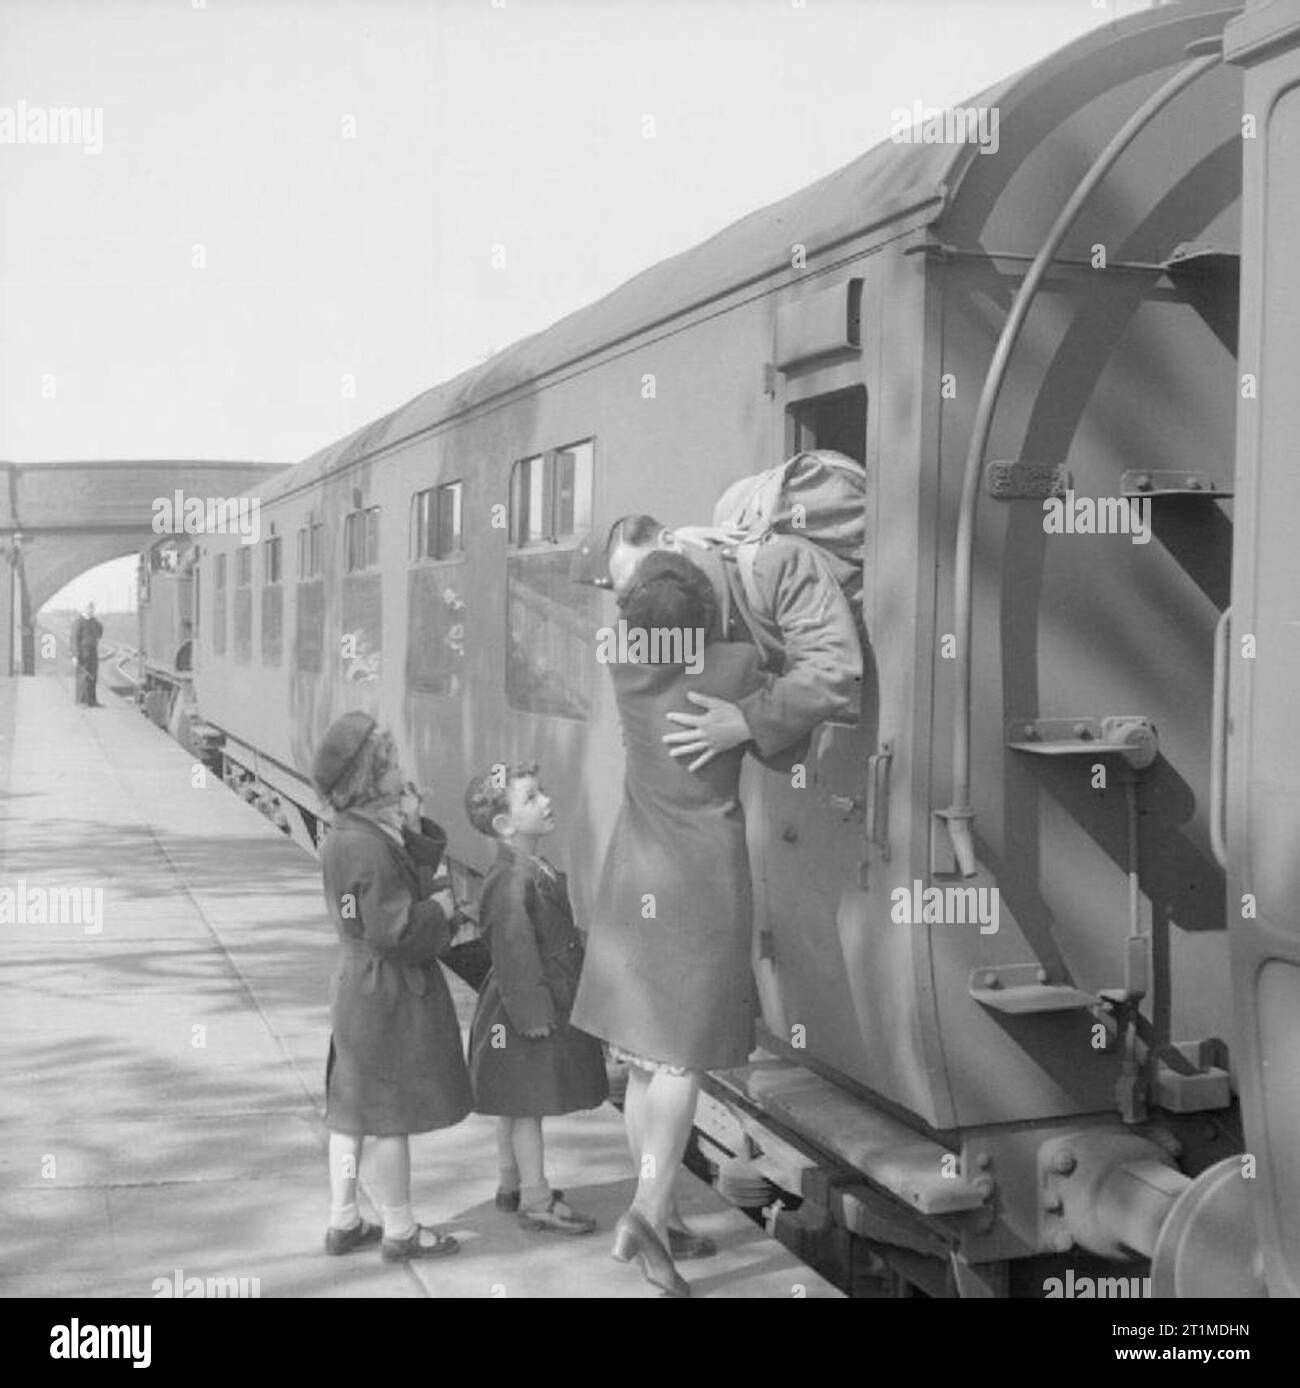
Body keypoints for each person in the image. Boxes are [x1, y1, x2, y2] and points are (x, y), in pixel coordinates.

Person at [569, 551, 768, 1297]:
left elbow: (644, 607)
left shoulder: (623, 662)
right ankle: (648, 1212)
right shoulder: (738, 670)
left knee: (647, 1063)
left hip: (635, 877)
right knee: (683, 1061)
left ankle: (666, 1209)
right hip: (701, 882)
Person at [312, 711, 472, 1261]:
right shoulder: (368, 846)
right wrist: (443, 910)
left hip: (357, 987)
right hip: (387, 993)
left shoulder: (349, 834)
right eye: (393, 763)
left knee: (351, 1113)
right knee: (391, 1119)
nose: (403, 771)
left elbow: (378, 908)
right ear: (369, 776)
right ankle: (401, 1230)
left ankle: (343, 1220)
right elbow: (396, 931)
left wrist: (415, 827)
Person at [572, 513, 861, 769]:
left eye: (644, 571)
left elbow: (831, 666)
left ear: (671, 541)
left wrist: (748, 721)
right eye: (630, 592)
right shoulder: (661, 610)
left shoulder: (776, 564)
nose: (645, 589)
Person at [464, 762, 607, 1235]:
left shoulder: (527, 867)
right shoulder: (511, 879)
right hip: (525, 1009)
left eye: (542, 792)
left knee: (513, 1102)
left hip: (524, 1004)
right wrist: (532, 1014)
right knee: (528, 1109)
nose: (546, 801)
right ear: (505, 825)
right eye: (531, 798)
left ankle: (509, 1183)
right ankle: (537, 1197)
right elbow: (513, 950)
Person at [71, 601, 104, 706]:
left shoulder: (95, 622)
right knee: (82, 678)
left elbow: (100, 630)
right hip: (82, 654)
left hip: (93, 653)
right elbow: (74, 639)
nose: (91, 610)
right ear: (84, 609)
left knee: (93, 676)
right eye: (89, 608)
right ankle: (81, 701)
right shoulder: (79, 622)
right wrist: (75, 655)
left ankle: (92, 701)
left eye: (92, 608)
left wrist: (94, 639)